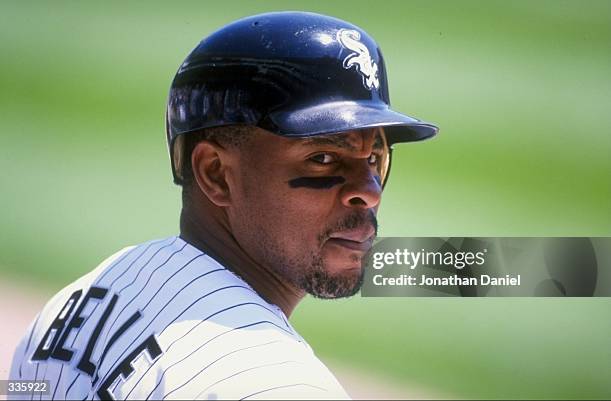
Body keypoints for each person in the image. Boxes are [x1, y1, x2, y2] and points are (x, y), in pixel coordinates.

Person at [9, 11, 437, 400]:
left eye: (376, 159)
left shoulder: (75, 305)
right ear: (216, 173)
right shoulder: (278, 383)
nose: (370, 191)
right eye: (323, 158)